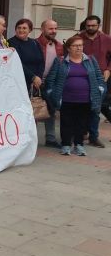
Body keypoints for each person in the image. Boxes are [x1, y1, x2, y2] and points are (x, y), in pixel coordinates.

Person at [46, 35, 105, 156]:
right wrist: (51, 92)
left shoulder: (90, 60)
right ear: (68, 48)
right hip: (66, 98)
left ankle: (79, 145)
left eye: (80, 45)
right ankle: (66, 145)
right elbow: (50, 79)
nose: (79, 48)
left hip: (86, 99)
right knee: (66, 123)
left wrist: (100, 89)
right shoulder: (60, 61)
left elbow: (99, 77)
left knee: (82, 123)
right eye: (75, 46)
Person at [79, 15, 111, 148]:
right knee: (81, 108)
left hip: (101, 79)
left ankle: (93, 136)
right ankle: (80, 133)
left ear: (99, 25)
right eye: (88, 26)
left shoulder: (107, 39)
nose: (90, 28)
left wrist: (108, 70)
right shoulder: (78, 38)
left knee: (96, 109)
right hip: (82, 77)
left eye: (93, 25)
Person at [37, 19, 63, 148]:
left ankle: (51, 138)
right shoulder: (35, 44)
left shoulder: (59, 46)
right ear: (42, 29)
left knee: (51, 109)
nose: (54, 31)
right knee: (34, 109)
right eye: (50, 29)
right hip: (37, 81)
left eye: (55, 28)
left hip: (52, 82)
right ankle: (31, 140)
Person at [8, 18, 44, 90]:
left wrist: (38, 77)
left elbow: (41, 61)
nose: (21, 30)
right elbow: (17, 63)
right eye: (19, 28)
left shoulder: (35, 42)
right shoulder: (10, 42)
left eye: (24, 28)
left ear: (30, 30)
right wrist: (33, 77)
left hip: (36, 83)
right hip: (18, 83)